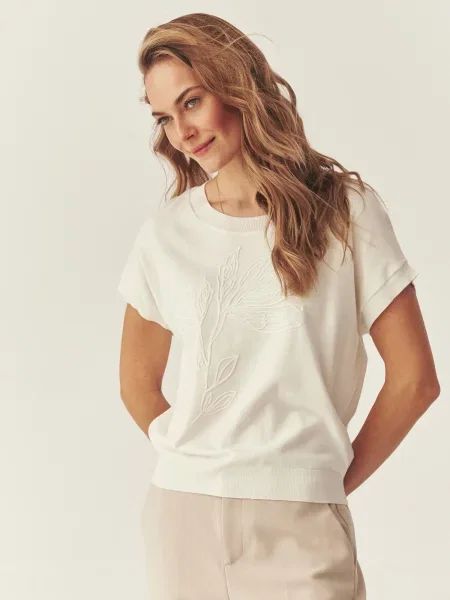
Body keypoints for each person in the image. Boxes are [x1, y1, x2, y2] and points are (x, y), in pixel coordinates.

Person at [117, 13, 440, 600]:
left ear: (237, 85)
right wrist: (196, 453)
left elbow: (416, 379)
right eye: (164, 117)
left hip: (301, 525)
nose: (181, 132)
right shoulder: (167, 233)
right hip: (183, 520)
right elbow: (137, 383)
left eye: (192, 102)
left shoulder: (345, 211)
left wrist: (322, 482)